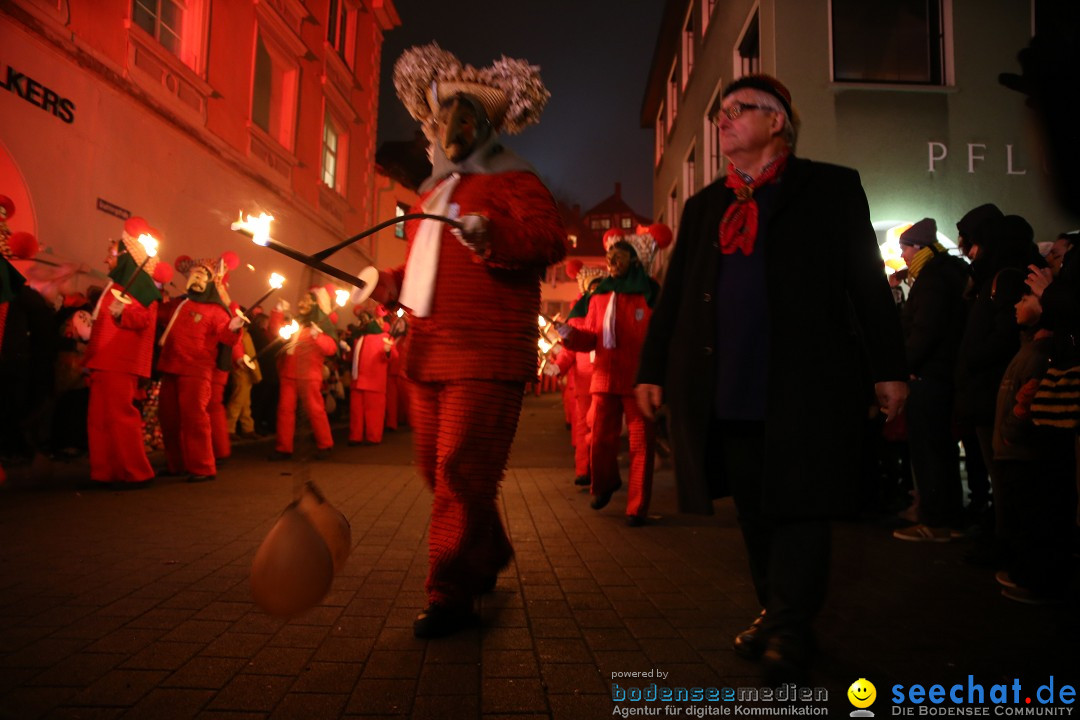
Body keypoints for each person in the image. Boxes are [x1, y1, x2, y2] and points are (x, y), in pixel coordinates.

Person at [634, 74, 907, 681]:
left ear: (777, 121)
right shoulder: (707, 205)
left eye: (738, 110)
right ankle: (777, 609)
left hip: (805, 384)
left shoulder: (831, 188)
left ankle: (789, 625)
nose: (723, 120)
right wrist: (652, 369)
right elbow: (675, 298)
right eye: (722, 112)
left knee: (801, 505)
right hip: (726, 382)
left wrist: (889, 370)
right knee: (755, 509)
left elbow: (866, 283)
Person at [380, 43, 566, 638]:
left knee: (461, 472)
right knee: (436, 471)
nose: (452, 127)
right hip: (429, 349)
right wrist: (380, 284)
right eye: (443, 118)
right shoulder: (432, 193)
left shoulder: (513, 177)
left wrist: (495, 235)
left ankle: (451, 592)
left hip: (486, 351)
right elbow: (421, 271)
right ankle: (487, 550)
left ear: (486, 125)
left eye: (466, 118)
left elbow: (548, 240)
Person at [559, 228, 668, 525]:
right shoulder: (600, 295)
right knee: (600, 440)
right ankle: (605, 484)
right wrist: (569, 335)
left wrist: (659, 373)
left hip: (638, 380)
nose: (611, 263)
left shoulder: (651, 293)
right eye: (609, 258)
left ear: (633, 260)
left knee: (641, 444)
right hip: (605, 378)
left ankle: (637, 506)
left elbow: (662, 336)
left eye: (617, 257)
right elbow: (591, 336)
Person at [892, 218, 969, 541]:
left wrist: (907, 365)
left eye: (905, 248)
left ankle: (936, 521)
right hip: (941, 373)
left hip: (928, 375)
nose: (903, 256)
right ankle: (947, 517)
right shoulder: (948, 273)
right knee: (941, 449)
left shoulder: (932, 278)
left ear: (918, 247)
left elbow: (925, 329)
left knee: (929, 449)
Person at [84, 218, 171, 489]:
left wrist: (126, 314)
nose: (105, 259)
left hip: (120, 362)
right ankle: (105, 471)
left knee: (121, 417)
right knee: (98, 420)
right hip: (104, 360)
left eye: (111, 254)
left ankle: (136, 472)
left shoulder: (141, 287)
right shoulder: (116, 286)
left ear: (125, 257)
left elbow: (145, 319)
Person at [157, 254, 245, 482]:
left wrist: (234, 328)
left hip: (196, 371)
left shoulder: (216, 311)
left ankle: (203, 467)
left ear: (210, 281)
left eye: (202, 274)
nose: (196, 277)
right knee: (169, 418)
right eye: (194, 273)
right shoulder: (179, 303)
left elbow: (226, 337)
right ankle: (176, 464)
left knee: (195, 419)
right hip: (170, 366)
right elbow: (157, 313)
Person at [268, 288, 338, 460]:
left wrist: (318, 336)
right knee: (285, 410)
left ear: (316, 304)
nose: (302, 304)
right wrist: (277, 312)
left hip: (309, 374)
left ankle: (325, 445)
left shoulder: (322, 325)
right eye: (302, 300)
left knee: (315, 410)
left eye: (307, 301)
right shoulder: (295, 324)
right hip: (289, 373)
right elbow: (277, 332)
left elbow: (331, 349)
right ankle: (284, 448)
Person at [347, 306, 394, 445]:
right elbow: (353, 357)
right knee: (356, 411)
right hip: (358, 381)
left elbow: (393, 355)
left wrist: (387, 351)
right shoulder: (359, 338)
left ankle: (373, 437)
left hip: (374, 381)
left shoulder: (384, 337)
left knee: (374, 411)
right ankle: (355, 436)